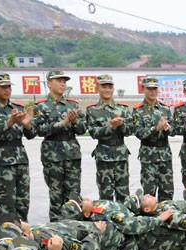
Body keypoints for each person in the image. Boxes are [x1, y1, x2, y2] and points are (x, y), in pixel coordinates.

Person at [0, 72, 35, 220]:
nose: (7, 90)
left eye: (9, 86)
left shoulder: (18, 107)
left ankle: (23, 233)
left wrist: (28, 125)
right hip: (2, 159)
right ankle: (8, 236)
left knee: (23, 201)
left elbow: (31, 135)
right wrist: (9, 122)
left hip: (21, 158)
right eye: (3, 87)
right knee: (7, 201)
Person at [33, 70, 86, 221]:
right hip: (52, 155)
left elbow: (82, 129)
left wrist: (75, 122)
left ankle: (74, 227)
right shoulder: (41, 107)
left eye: (64, 81)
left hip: (72, 154)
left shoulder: (72, 105)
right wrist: (61, 124)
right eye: (59, 80)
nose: (63, 84)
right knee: (56, 194)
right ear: (49, 83)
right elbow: (38, 130)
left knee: (74, 194)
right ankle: (56, 230)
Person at [86, 74, 133, 202]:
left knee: (123, 193)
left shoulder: (122, 109)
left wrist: (121, 124)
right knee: (105, 194)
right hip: (103, 155)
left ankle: (123, 219)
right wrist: (110, 127)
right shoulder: (92, 110)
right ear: (98, 88)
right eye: (104, 86)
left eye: (110, 87)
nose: (107, 90)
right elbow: (93, 133)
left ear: (113, 89)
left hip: (121, 154)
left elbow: (130, 130)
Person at [133, 76, 175, 200]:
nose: (153, 91)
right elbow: (138, 132)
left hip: (165, 154)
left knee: (167, 191)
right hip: (148, 156)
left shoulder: (165, 108)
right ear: (143, 89)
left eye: (155, 88)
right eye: (149, 89)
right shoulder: (138, 110)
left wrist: (167, 128)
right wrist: (155, 129)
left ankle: (166, 217)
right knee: (149, 193)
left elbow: (174, 131)